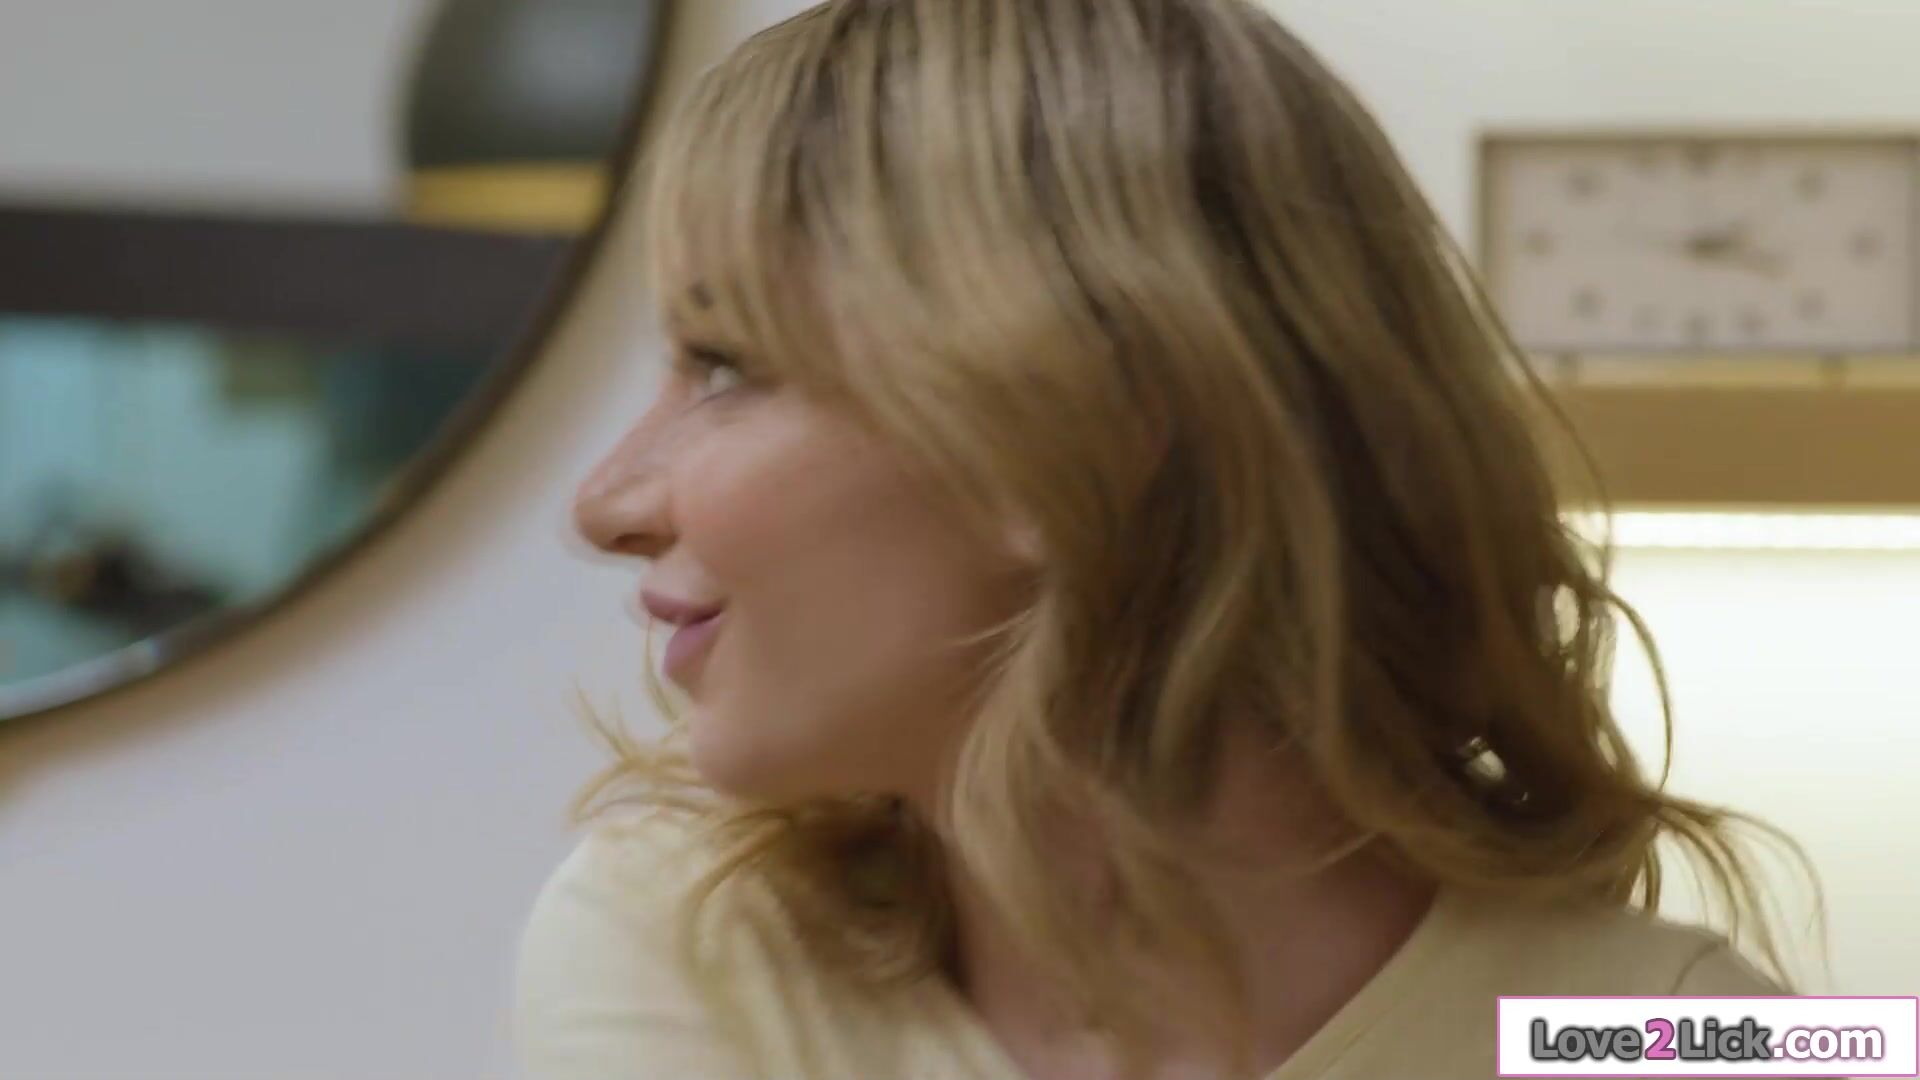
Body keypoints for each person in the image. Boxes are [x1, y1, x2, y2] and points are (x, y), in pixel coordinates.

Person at [515, 1, 1819, 1077]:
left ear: (1065, 431)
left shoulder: (1695, 1040)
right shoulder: (685, 945)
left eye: (726, 366)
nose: (606, 500)